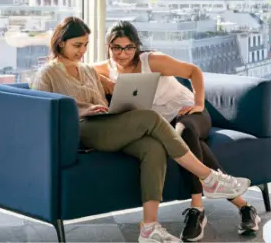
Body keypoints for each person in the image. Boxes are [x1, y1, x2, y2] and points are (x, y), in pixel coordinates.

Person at [31, 16, 251, 243]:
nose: (83, 50)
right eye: (77, 45)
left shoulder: (88, 70)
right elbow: (41, 109)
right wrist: (83, 108)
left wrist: (121, 98)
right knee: (151, 118)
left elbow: (120, 89)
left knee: (152, 147)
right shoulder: (47, 73)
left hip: (106, 125)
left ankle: (149, 228)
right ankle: (209, 177)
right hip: (82, 131)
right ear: (60, 43)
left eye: (86, 45)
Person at [92, 20, 260, 242]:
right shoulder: (104, 69)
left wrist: (199, 103)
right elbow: (77, 73)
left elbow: (193, 71)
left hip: (190, 114)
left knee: (183, 134)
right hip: (162, 125)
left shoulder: (152, 60)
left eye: (129, 47)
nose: (122, 54)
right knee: (185, 143)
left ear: (137, 46)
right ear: (108, 46)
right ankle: (245, 207)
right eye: (116, 47)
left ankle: (197, 209)